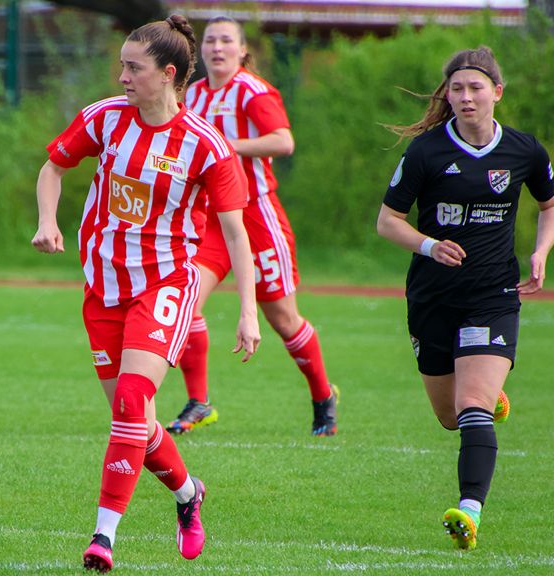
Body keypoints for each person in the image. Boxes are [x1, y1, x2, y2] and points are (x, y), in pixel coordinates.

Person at [31, 14, 261, 572]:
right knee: (136, 420)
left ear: (168, 74)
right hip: (103, 289)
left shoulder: (205, 146)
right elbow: (53, 167)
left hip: (165, 285)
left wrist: (248, 312)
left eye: (133, 68)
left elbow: (235, 233)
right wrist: (48, 221)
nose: (122, 77)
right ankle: (188, 494)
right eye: (122, 65)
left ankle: (103, 537)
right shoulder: (105, 119)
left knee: (132, 404)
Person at [376, 45, 554, 551]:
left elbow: (549, 205)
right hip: (432, 298)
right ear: (447, 95)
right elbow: (387, 222)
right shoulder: (428, 151)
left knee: (471, 405)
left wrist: (541, 252)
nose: (466, 97)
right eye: (457, 88)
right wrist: (430, 245)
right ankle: (486, 392)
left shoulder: (524, 150)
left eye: (476, 87)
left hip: (492, 295)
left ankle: (470, 511)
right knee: (450, 416)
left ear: (497, 92)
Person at [169, 16, 339, 436]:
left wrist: (226, 148)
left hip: (257, 217)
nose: (217, 47)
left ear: (243, 51)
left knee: (283, 319)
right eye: (210, 40)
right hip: (209, 220)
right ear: (199, 50)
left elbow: (283, 140)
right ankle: (198, 402)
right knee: (185, 300)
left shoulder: (252, 90)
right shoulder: (193, 95)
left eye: (227, 40)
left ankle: (323, 396)